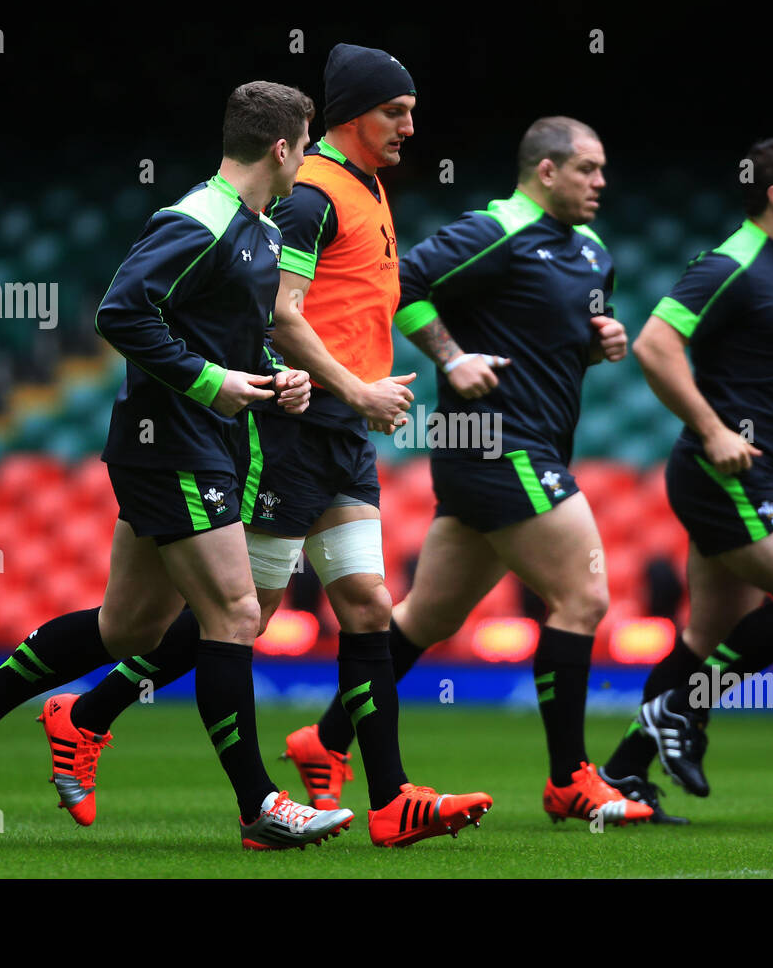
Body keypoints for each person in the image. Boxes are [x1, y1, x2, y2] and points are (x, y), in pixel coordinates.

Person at [49, 44, 491, 848]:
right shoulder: (307, 197)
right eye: (397, 111)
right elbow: (281, 314)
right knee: (238, 617)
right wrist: (349, 387)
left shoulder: (364, 189)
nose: (411, 126)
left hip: (341, 434)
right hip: (290, 428)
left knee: (362, 606)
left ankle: (389, 799)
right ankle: (87, 714)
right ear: (352, 115)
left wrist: (382, 386)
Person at [0, 81, 355, 850]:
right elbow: (119, 311)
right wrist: (210, 382)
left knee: (128, 629)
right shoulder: (202, 217)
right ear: (283, 148)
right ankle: (260, 805)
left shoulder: (257, 229)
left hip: (198, 441)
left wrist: (267, 378)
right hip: (173, 443)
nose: (313, 155)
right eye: (308, 142)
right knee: (235, 615)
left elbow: (217, 333)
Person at [281, 116, 672, 827]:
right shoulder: (495, 230)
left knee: (428, 616)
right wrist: (451, 357)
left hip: (526, 447)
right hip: (497, 444)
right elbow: (407, 283)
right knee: (583, 596)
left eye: (603, 169)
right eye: (587, 168)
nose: (601, 183)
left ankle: (325, 738)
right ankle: (569, 780)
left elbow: (554, 336)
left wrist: (598, 340)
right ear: (546, 171)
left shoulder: (589, 252)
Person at [599, 137, 773, 802]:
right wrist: (712, 430)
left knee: (708, 636)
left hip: (766, 471)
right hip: (724, 471)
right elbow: (654, 344)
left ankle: (623, 772)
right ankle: (683, 710)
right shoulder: (732, 262)